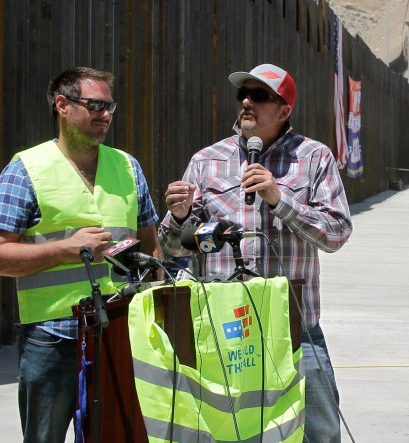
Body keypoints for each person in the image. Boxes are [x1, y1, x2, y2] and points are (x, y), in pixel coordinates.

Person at [159, 63, 352, 442]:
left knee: (321, 431)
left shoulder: (313, 158)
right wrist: (179, 217)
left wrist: (279, 199)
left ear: (284, 109)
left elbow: (336, 234)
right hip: (222, 326)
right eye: (242, 95)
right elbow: (170, 246)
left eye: (260, 96)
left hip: (294, 325)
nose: (247, 102)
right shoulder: (206, 161)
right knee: (225, 430)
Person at [0, 67, 160, 443]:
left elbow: (150, 244)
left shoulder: (128, 167)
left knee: (119, 435)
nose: (106, 114)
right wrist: (67, 248)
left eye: (110, 106)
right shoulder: (26, 170)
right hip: (51, 338)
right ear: (62, 105)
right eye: (95, 104)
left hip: (120, 332)